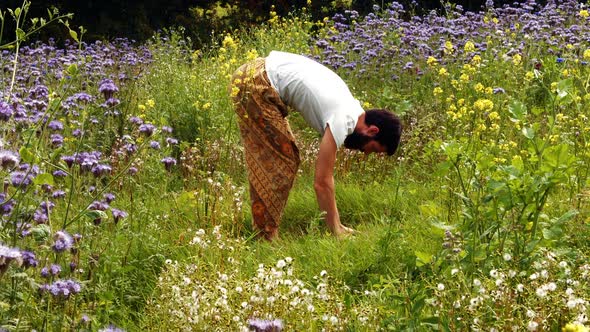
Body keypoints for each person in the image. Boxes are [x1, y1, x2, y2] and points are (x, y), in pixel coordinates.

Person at [230, 50, 402, 241]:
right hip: (256, 83)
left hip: (256, 75)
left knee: (287, 157)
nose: (366, 153)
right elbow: (321, 182)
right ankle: (265, 237)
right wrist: (336, 230)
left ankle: (265, 231)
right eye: (374, 149)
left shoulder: (350, 108)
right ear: (372, 131)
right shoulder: (344, 118)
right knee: (278, 161)